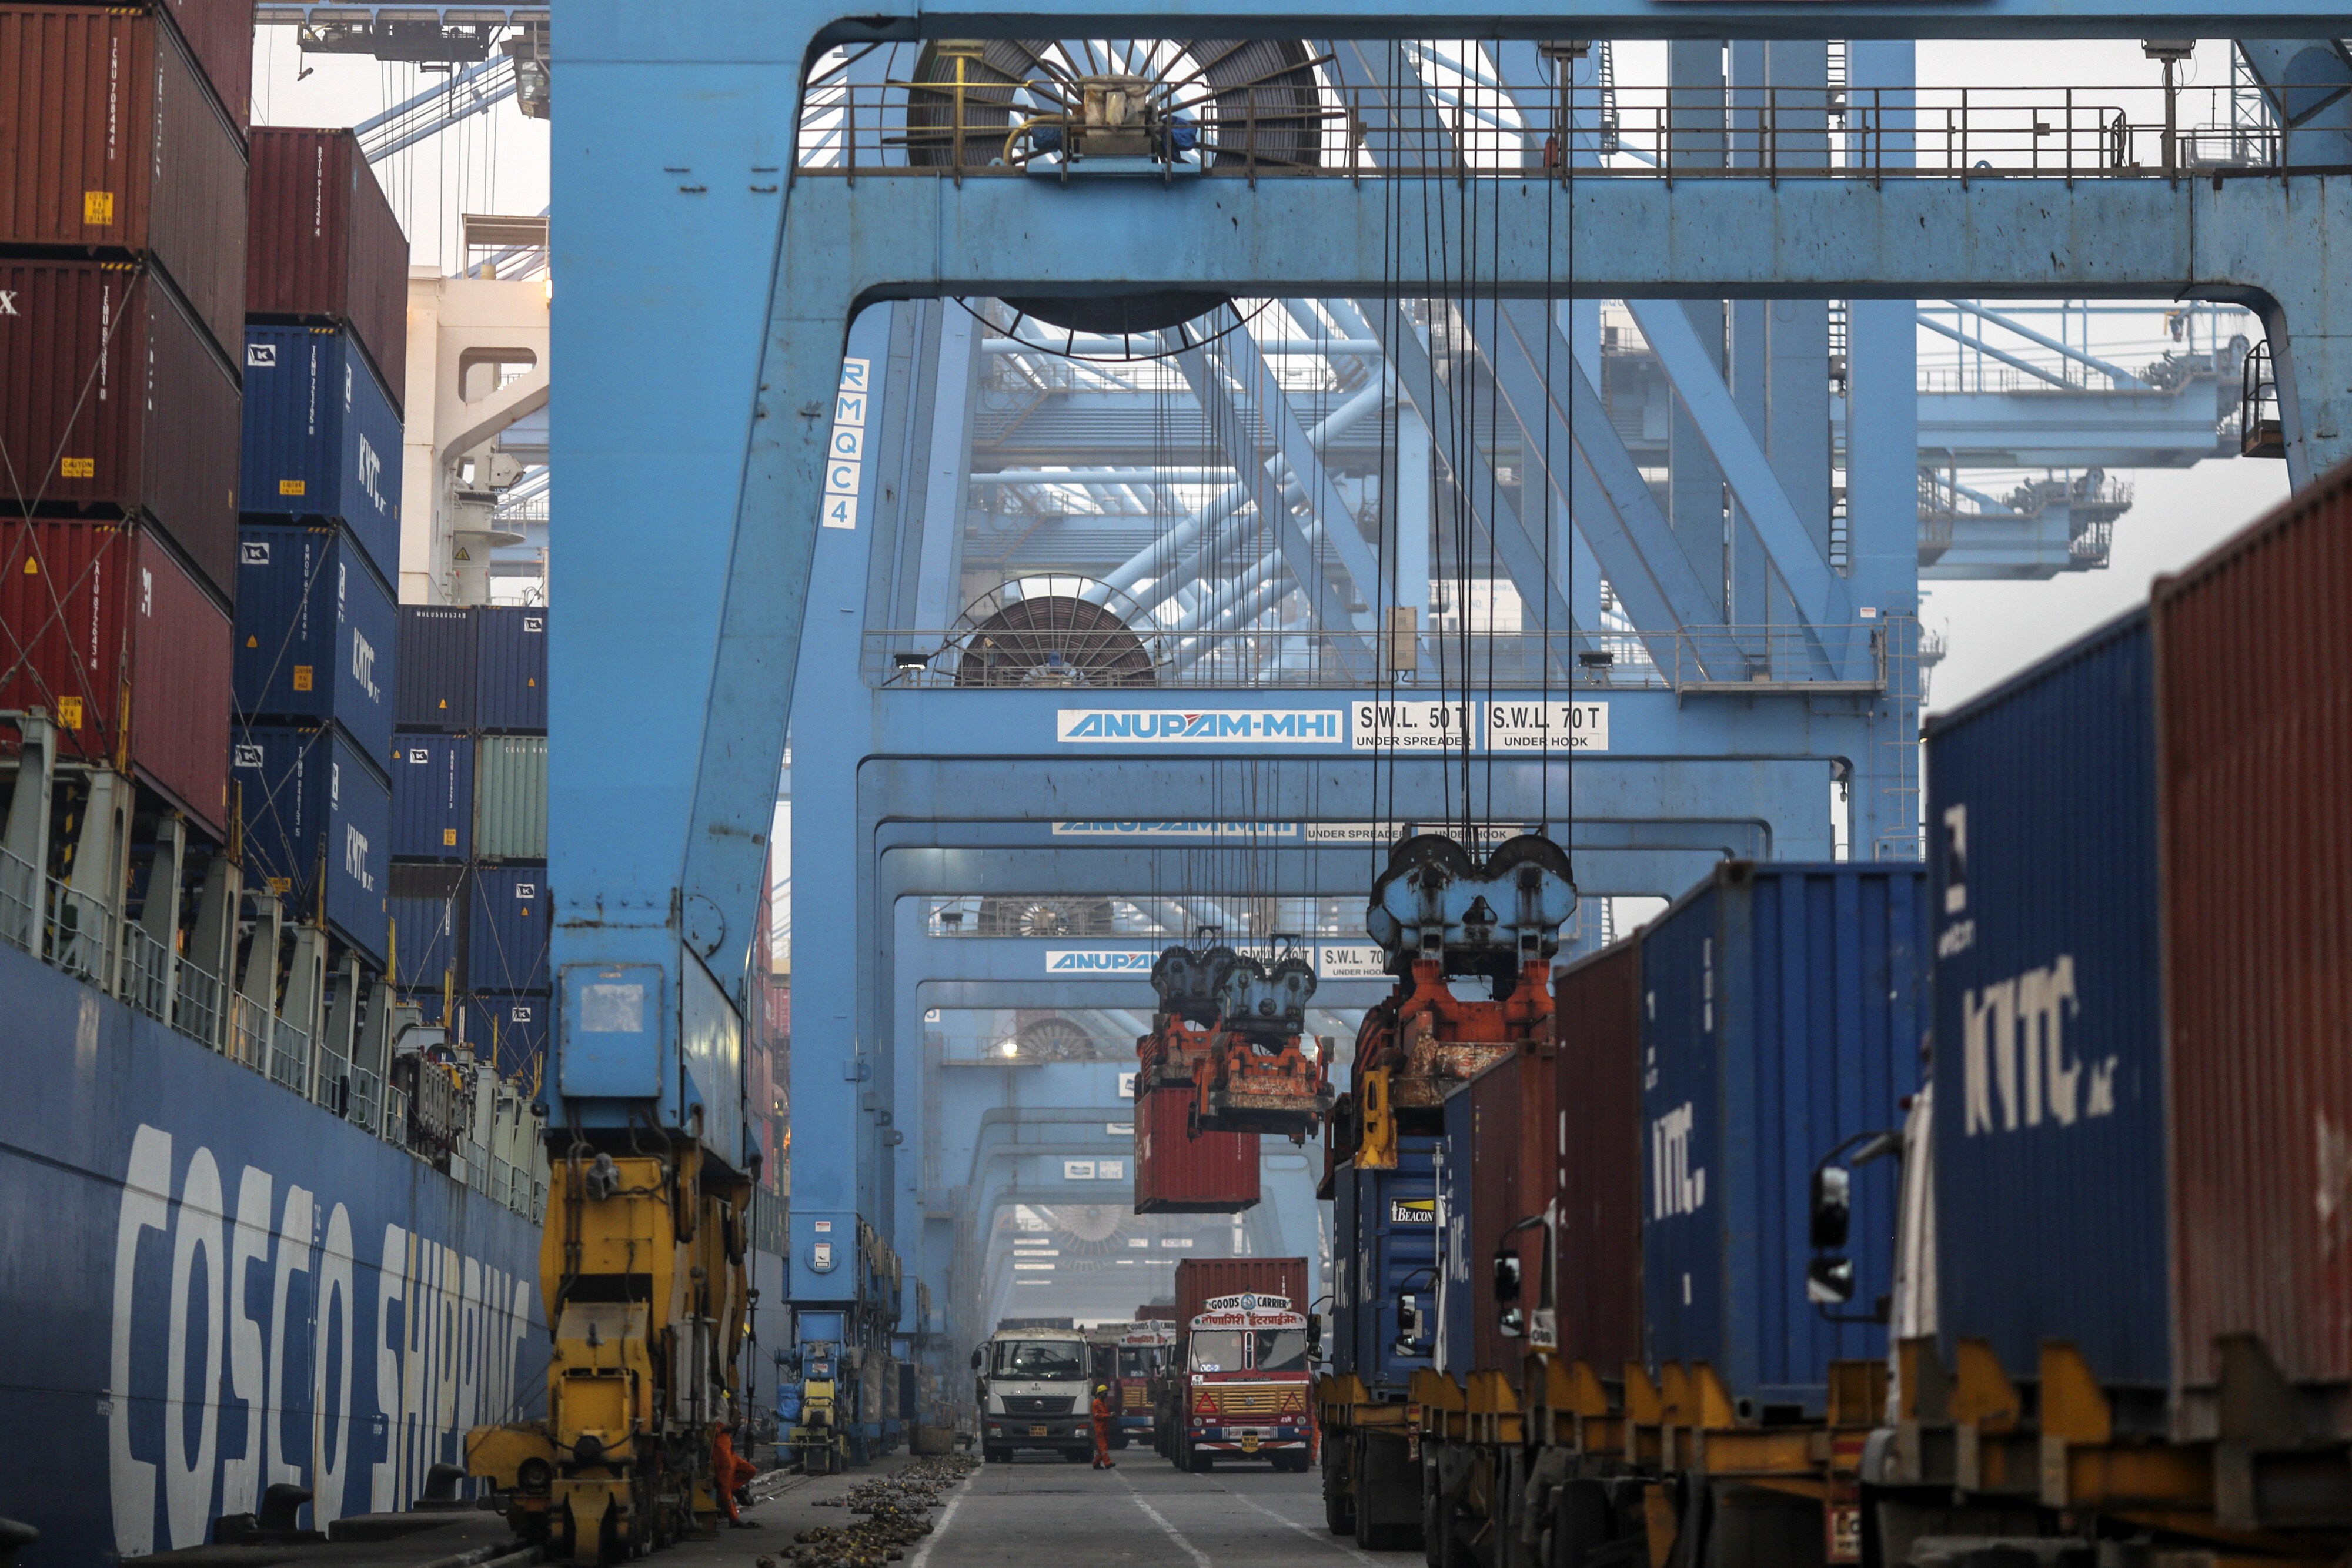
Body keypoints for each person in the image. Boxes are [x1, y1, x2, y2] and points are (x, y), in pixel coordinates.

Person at [714, 1426, 760, 1527]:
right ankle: (734, 1519)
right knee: (725, 1488)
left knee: (750, 1470)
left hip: (729, 1450)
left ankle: (733, 1488)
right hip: (723, 1453)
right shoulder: (719, 1427)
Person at [1090, 1383, 1117, 1470]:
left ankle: (1096, 1463)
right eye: (1104, 1393)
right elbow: (1096, 1415)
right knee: (1103, 1446)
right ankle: (1107, 1463)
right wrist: (1108, 1416)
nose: (1106, 1395)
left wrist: (1111, 1415)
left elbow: (1105, 1414)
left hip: (1105, 1428)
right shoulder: (1096, 1403)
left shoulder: (1104, 1403)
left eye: (1106, 1393)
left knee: (1101, 1448)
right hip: (1099, 1428)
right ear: (1099, 1394)